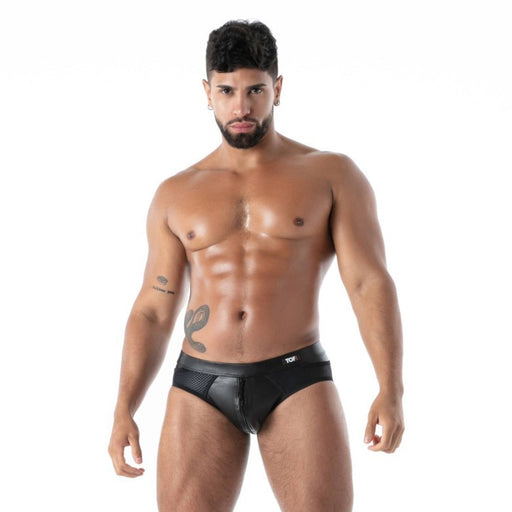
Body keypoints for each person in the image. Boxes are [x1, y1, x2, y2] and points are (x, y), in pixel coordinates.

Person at [108, 19, 404, 512]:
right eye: (227, 91)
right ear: (208, 92)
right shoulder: (176, 193)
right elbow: (153, 310)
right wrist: (124, 408)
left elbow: (367, 283)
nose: (241, 108)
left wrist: (390, 389)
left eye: (255, 91)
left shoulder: (331, 175)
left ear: (277, 89)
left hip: (295, 377)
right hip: (199, 383)